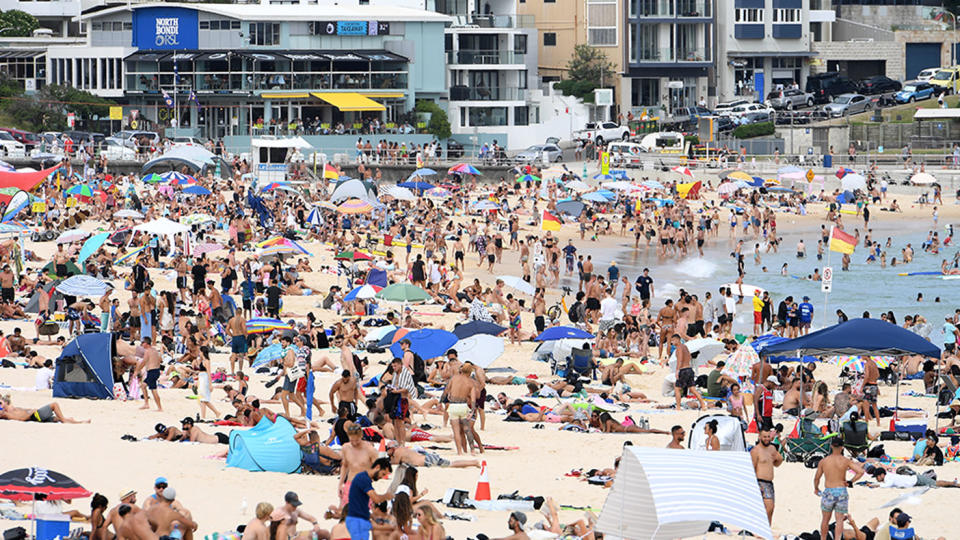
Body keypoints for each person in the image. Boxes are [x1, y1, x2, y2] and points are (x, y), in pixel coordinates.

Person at [815, 438, 865, 540]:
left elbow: (817, 478)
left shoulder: (824, 461)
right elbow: (860, 471)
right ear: (842, 447)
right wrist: (851, 481)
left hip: (829, 491)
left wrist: (816, 488)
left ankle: (823, 539)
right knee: (839, 520)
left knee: (825, 520)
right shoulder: (845, 461)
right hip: (841, 491)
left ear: (831, 446)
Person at [345, 457, 394, 540]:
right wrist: (386, 496)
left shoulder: (363, 478)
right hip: (357, 521)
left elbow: (360, 505)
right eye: (383, 474)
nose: (382, 477)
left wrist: (373, 517)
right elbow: (376, 499)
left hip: (360, 520)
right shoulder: (363, 479)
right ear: (377, 467)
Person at [751, 427, 782, 524]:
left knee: (770, 509)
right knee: (769, 507)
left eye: (768, 436)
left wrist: (778, 459)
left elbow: (776, 464)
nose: (767, 439)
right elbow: (752, 468)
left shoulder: (772, 448)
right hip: (760, 482)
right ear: (759, 437)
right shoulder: (755, 451)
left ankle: (766, 528)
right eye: (764, 437)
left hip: (769, 483)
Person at [672, 334, 705, 410]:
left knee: (677, 389)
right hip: (689, 369)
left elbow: (680, 359)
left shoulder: (679, 348)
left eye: (673, 340)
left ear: (677, 339)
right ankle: (703, 404)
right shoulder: (685, 347)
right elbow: (689, 357)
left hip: (683, 370)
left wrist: (677, 371)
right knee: (693, 389)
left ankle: (678, 407)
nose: (672, 342)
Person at [0, 395, 89, 423]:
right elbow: (20, 418)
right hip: (34, 416)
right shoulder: (5, 413)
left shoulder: (10, 409)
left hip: (35, 415)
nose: (1, 405)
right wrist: (30, 413)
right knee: (54, 405)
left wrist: (30, 410)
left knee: (58, 418)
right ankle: (65, 420)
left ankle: (79, 422)